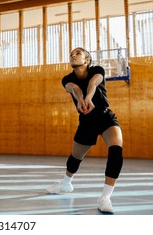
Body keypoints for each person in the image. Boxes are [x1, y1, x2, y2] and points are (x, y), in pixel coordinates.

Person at [46, 47, 123, 214]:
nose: (73, 55)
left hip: (105, 117)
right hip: (86, 121)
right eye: (71, 54)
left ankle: (105, 197)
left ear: (87, 60)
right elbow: (74, 88)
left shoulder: (97, 69)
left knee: (116, 149)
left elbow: (93, 82)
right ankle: (66, 184)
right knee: (75, 157)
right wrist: (81, 99)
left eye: (78, 53)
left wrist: (89, 97)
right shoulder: (67, 78)